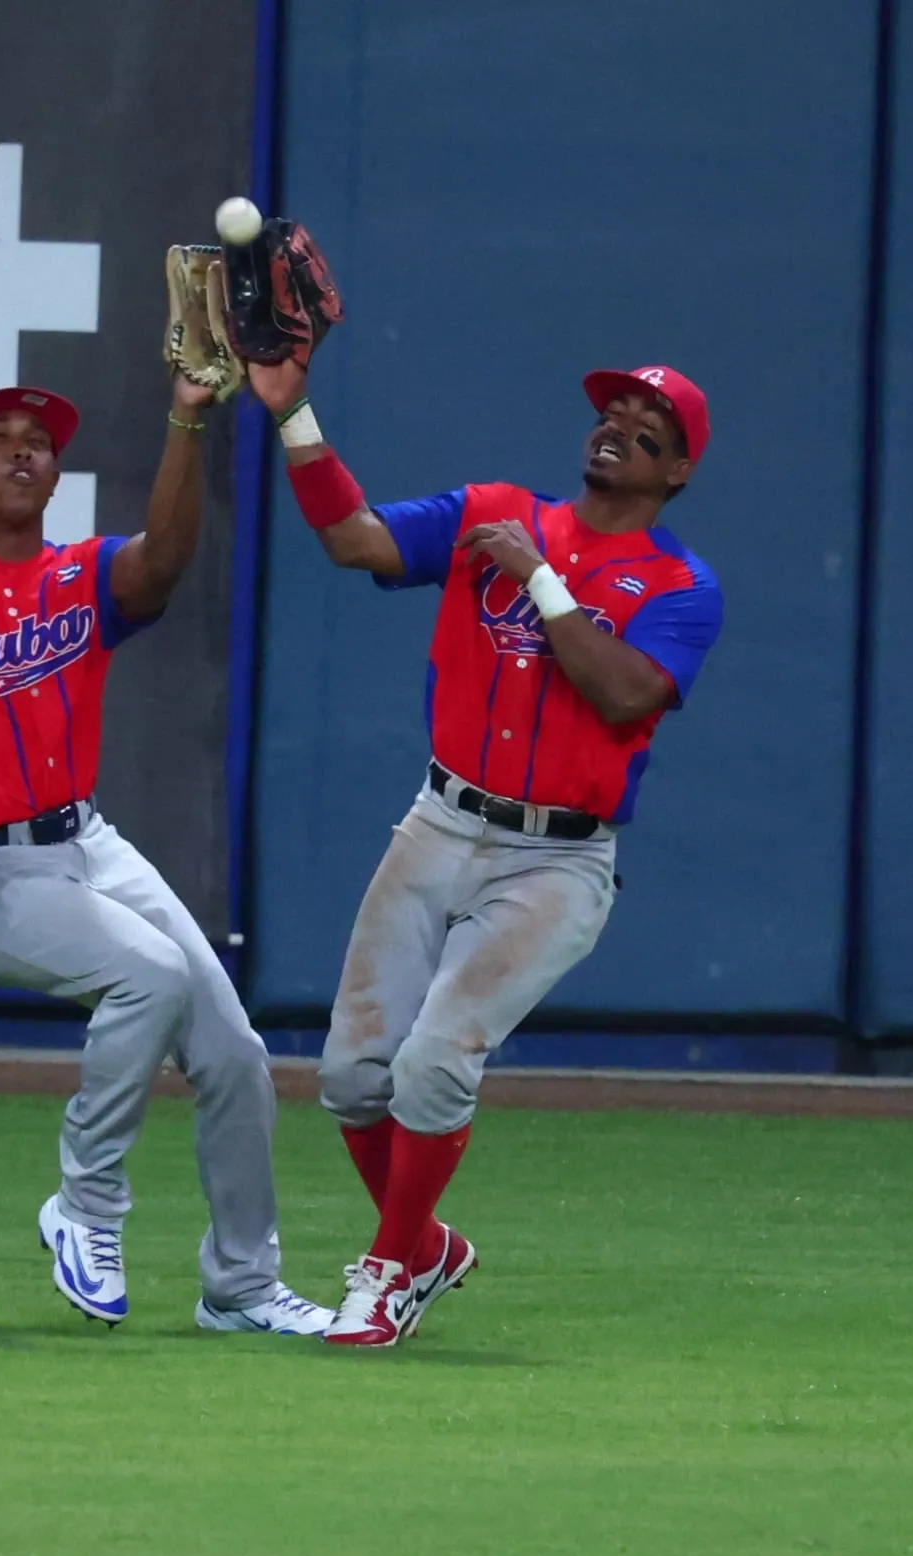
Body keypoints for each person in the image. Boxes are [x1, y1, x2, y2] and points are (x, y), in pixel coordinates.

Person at [0, 373, 330, 1337]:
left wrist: (186, 420)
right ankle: (87, 1204)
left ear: (56, 472)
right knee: (150, 976)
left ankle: (242, 1289)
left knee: (236, 1057)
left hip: (87, 843)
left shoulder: (81, 576)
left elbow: (167, 558)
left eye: (37, 440)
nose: (22, 449)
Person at [250, 357, 724, 1347]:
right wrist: (292, 413)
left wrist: (539, 580)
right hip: (440, 819)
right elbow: (353, 538)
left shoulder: (680, 584)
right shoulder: (497, 511)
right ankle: (424, 1247)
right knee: (351, 1074)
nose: (619, 425)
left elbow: (626, 694)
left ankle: (387, 1273)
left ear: (677, 469)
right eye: (611, 410)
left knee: (434, 1061)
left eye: (648, 424)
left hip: (555, 859)